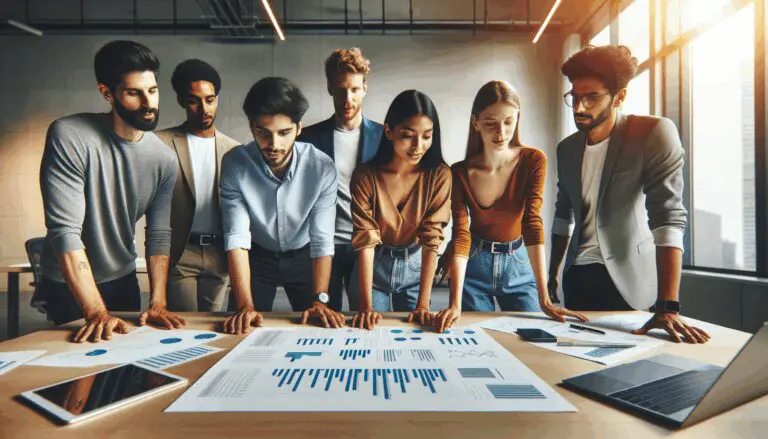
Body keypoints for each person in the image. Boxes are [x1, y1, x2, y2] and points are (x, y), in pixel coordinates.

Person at [548, 45, 710, 344]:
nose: (580, 107)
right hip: (576, 278)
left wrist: (668, 305)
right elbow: (563, 213)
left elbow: (669, 218)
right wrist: (552, 276)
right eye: (575, 97)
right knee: (573, 363)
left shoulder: (651, 133)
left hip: (626, 279)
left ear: (619, 97)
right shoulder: (567, 149)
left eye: (592, 98)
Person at [38, 40, 185, 343]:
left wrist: (158, 302)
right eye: (134, 92)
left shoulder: (164, 159)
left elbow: (158, 235)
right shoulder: (69, 135)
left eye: (153, 91)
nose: (149, 102)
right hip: (69, 284)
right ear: (107, 93)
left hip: (122, 278)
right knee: (76, 375)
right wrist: (95, 311)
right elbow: (65, 231)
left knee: (122, 371)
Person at [434, 81, 588, 333]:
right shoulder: (459, 172)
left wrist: (545, 297)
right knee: (475, 337)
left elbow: (532, 223)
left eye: (508, 121)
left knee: (530, 342)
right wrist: (454, 303)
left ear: (518, 117)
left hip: (519, 265)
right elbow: (461, 233)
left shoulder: (533, 160)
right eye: (490, 123)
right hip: (475, 265)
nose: (501, 132)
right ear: (475, 123)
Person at [220, 77, 346, 334]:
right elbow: (236, 238)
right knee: (243, 328)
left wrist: (320, 299)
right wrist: (244, 305)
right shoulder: (234, 163)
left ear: (299, 128)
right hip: (257, 257)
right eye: (263, 132)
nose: (274, 144)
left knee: (318, 328)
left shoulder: (321, 167)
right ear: (251, 126)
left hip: (304, 256)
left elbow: (322, 239)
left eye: (284, 132)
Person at [349, 90, 451, 330]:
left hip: (417, 269)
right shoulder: (365, 175)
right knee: (370, 337)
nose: (418, 146)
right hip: (373, 269)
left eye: (427, 136)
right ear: (388, 132)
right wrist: (366, 307)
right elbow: (365, 241)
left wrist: (423, 305)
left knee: (416, 338)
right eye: (407, 135)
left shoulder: (440, 175)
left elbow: (431, 241)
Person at [298, 48, 383, 312]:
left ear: (365, 89)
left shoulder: (384, 138)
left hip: (366, 246)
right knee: (324, 317)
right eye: (341, 89)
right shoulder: (308, 138)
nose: (348, 98)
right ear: (330, 88)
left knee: (365, 317)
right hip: (324, 246)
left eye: (355, 90)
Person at [156, 59, 240, 312]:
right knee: (185, 326)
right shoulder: (160, 142)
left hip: (218, 252)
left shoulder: (234, 150)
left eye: (210, 99)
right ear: (182, 101)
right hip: (181, 251)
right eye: (194, 100)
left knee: (212, 326)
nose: (204, 108)